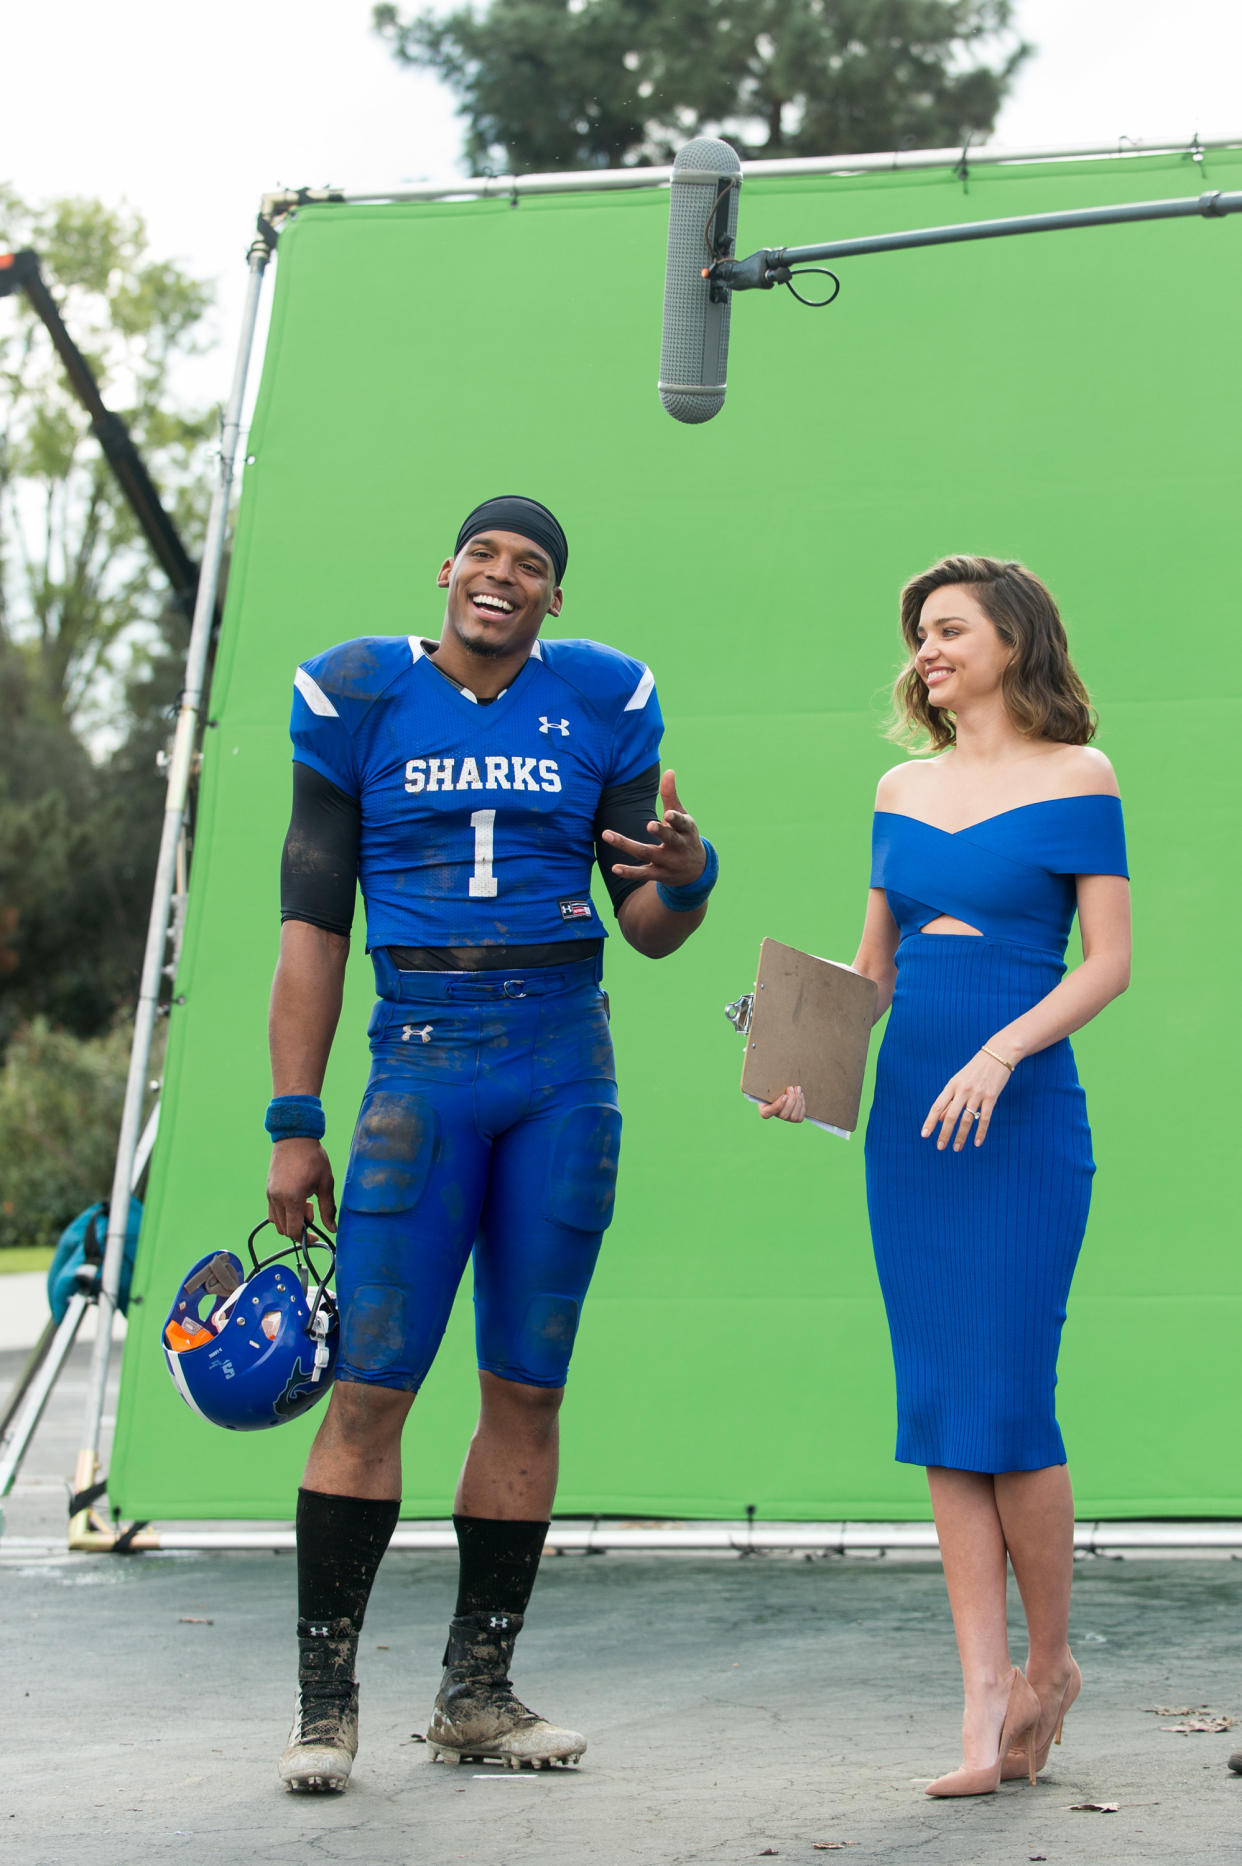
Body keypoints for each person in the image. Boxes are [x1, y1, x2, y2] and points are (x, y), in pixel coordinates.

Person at [265, 495, 717, 1792]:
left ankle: (477, 1690)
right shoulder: (359, 695)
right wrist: (293, 1120)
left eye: (532, 564)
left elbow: (646, 922)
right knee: (371, 1383)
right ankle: (325, 1704)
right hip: (421, 1059)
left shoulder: (600, 700)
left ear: (554, 600)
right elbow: (312, 923)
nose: (503, 575)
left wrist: (687, 870)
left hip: (561, 1062)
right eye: (484, 554)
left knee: (527, 1385)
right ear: (446, 572)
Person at [763, 555, 1130, 1797]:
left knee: (1013, 1401)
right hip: (912, 1111)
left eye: (949, 628)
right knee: (941, 1413)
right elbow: (871, 970)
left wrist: (1003, 1046)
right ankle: (983, 1704)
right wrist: (804, 1064)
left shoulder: (1082, 775)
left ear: (1013, 640)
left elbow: (1108, 963)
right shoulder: (898, 787)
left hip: (1019, 1109)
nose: (926, 649)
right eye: (919, 633)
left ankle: (1054, 1665)